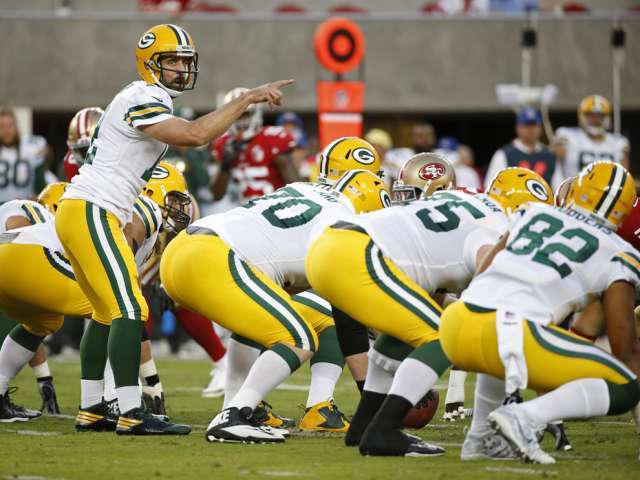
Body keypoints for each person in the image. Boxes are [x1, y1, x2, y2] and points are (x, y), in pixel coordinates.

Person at [53, 23, 294, 435]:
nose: (182, 69)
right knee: (129, 309)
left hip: (87, 210)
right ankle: (131, 411)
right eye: (173, 61)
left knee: (105, 312)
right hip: (93, 209)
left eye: (186, 61)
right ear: (149, 64)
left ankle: (93, 407)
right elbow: (195, 135)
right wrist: (249, 97)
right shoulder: (142, 95)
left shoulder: (144, 96)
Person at [307, 159, 553, 457]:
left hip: (331, 246)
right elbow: (491, 277)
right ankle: (384, 430)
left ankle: (364, 425)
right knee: (443, 336)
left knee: (406, 332)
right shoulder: (495, 226)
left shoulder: (463, 200)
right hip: (359, 252)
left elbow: (432, 286)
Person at [161, 147, 389, 443]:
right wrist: (372, 398)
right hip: (214, 256)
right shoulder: (340, 222)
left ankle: (236, 405)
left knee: (265, 322)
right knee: (299, 338)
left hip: (185, 249)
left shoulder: (303, 190)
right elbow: (350, 326)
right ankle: (235, 415)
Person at [439, 161, 640, 464]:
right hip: (510, 331)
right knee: (626, 384)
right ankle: (525, 416)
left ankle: (479, 438)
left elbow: (484, 272)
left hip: (457, 322)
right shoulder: (618, 252)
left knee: (496, 349)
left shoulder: (532, 212)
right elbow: (623, 342)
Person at [211, 88, 301, 206]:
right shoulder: (224, 143)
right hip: (245, 214)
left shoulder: (272, 138)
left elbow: (297, 188)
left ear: (256, 112)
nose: (241, 120)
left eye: (245, 114)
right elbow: (216, 195)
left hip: (277, 211)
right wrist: (225, 164)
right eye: (236, 115)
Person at [553, 95, 630, 180]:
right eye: (590, 115)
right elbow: (553, 164)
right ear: (581, 116)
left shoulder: (618, 143)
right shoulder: (568, 136)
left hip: (607, 192)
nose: (595, 119)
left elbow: (624, 176)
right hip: (574, 191)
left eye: (600, 116)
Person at [485, 107, 560, 190]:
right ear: (518, 127)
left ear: (540, 128)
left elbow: (558, 186)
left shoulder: (549, 155)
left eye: (534, 125)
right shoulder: (505, 154)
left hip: (543, 202)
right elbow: (491, 186)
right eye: (526, 125)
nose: (530, 129)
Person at [0, 108, 54, 204]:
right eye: (2, 126)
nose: (6, 130)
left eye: (9, 126)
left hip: (24, 207)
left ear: (16, 127)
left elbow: (41, 178)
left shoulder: (31, 146)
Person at [384, 123, 437, 187]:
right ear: (412, 138)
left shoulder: (444, 156)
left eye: (428, 136)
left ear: (434, 137)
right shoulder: (399, 155)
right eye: (420, 136)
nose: (424, 139)